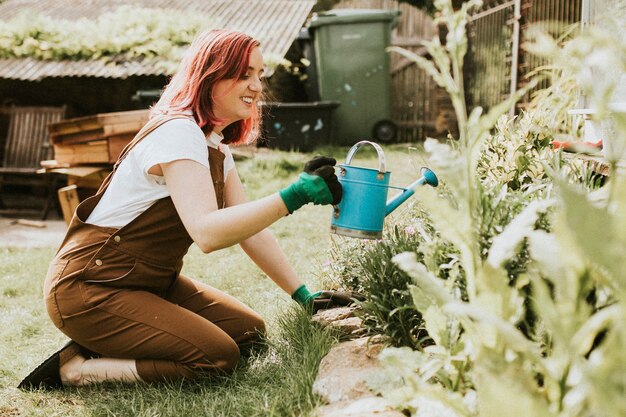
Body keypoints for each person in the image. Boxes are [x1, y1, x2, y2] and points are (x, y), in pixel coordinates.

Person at [18, 29, 355, 390]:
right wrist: (293, 196)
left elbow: (251, 230)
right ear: (210, 75)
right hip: (90, 288)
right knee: (217, 356)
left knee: (249, 332)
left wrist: (303, 296)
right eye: (244, 74)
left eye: (260, 74)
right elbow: (207, 232)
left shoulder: (215, 147)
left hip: (149, 283)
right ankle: (79, 370)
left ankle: (114, 339)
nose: (257, 86)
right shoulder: (178, 132)